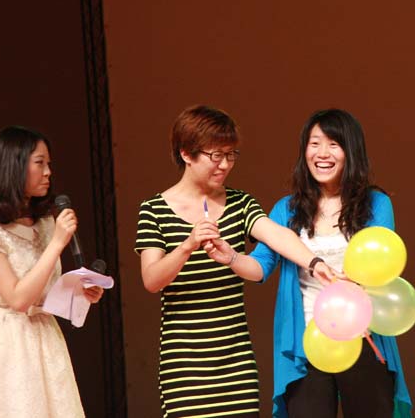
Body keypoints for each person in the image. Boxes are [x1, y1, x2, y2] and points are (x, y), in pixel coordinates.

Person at [135, 105, 335, 418]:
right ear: (186, 154)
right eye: (216, 156)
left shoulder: (241, 203)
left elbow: (277, 235)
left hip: (236, 360)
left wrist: (315, 264)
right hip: (184, 365)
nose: (225, 165)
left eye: (231, 155)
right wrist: (188, 245)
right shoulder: (153, 210)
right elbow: (151, 279)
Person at [211, 109, 412, 417]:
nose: (322, 153)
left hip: (364, 335)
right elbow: (261, 266)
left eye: (334, 144)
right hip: (306, 343)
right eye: (314, 143)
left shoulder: (376, 203)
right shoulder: (287, 209)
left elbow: (382, 264)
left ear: (351, 151)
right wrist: (232, 257)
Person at [0, 126, 103, 418]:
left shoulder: (46, 224)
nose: (48, 172)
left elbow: (45, 295)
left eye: (49, 163)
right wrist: (58, 243)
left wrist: (80, 292)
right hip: (7, 342)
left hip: (46, 337)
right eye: (40, 163)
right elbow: (18, 299)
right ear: (13, 166)